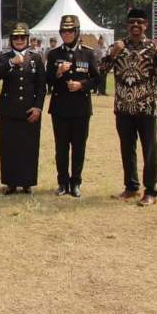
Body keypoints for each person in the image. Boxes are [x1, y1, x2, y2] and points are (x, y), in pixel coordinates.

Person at [100, 9, 157, 206]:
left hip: (146, 108)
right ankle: (131, 187)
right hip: (123, 108)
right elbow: (101, 71)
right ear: (127, 25)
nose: (135, 25)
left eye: (140, 22)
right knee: (127, 150)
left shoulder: (154, 48)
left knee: (149, 151)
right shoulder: (118, 46)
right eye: (132, 22)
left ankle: (150, 191)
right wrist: (112, 54)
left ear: (146, 25)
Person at [46, 15, 99, 198]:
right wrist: (58, 72)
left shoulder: (88, 53)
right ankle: (62, 183)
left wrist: (81, 85)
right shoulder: (54, 54)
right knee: (61, 148)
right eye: (63, 31)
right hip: (60, 108)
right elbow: (47, 80)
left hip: (81, 109)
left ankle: (76, 182)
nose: (67, 34)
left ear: (77, 32)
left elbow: (97, 79)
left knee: (79, 147)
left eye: (70, 30)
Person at [0, 23, 46, 194]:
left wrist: (38, 107)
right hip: (8, 110)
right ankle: (10, 182)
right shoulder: (5, 57)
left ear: (28, 39)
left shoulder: (35, 58)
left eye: (22, 37)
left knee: (28, 147)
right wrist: (11, 62)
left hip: (29, 111)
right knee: (9, 147)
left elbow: (41, 86)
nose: (19, 40)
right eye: (15, 37)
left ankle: (27, 182)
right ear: (11, 40)